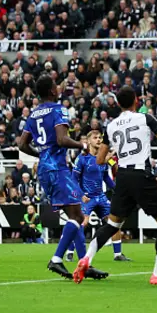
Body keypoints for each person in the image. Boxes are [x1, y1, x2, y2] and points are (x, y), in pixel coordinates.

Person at [73, 86, 157, 285]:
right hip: (142, 174)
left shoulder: (112, 125)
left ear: (118, 103)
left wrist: (114, 154)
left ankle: (87, 257)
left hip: (122, 177)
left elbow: (99, 160)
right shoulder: (145, 118)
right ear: (135, 100)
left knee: (112, 224)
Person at [18, 75, 108, 280]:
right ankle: (57, 259)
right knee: (77, 216)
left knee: (74, 215)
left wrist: (41, 154)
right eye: (56, 86)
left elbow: (22, 144)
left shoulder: (33, 114)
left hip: (44, 168)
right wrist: (82, 145)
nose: (58, 88)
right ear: (51, 91)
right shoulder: (59, 109)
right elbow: (61, 139)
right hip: (57, 168)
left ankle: (84, 263)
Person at [65, 130, 131, 262]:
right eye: (95, 138)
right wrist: (81, 194)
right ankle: (70, 251)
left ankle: (117, 254)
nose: (99, 140)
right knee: (82, 223)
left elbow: (106, 178)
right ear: (88, 141)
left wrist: (117, 190)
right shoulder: (82, 158)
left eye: (100, 137)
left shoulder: (103, 159)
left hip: (100, 196)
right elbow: (73, 179)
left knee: (114, 222)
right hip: (87, 197)